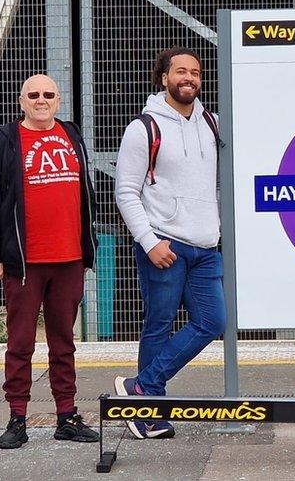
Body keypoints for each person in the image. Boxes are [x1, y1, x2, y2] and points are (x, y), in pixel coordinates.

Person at [0, 74, 100, 449]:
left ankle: (67, 415)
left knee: (64, 342)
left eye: (48, 94)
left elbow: (86, 194)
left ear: (58, 101)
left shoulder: (72, 134)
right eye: (34, 95)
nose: (41, 100)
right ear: (21, 101)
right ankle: (17, 418)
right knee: (20, 343)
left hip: (69, 259)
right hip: (24, 263)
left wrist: (87, 246)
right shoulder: (7, 140)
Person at [114, 47, 226, 439]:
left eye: (195, 72)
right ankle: (148, 410)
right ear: (163, 78)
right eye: (181, 71)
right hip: (165, 246)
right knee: (159, 326)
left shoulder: (211, 123)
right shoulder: (143, 127)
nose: (189, 78)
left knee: (213, 322)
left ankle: (142, 387)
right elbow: (126, 192)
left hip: (206, 247)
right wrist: (149, 242)